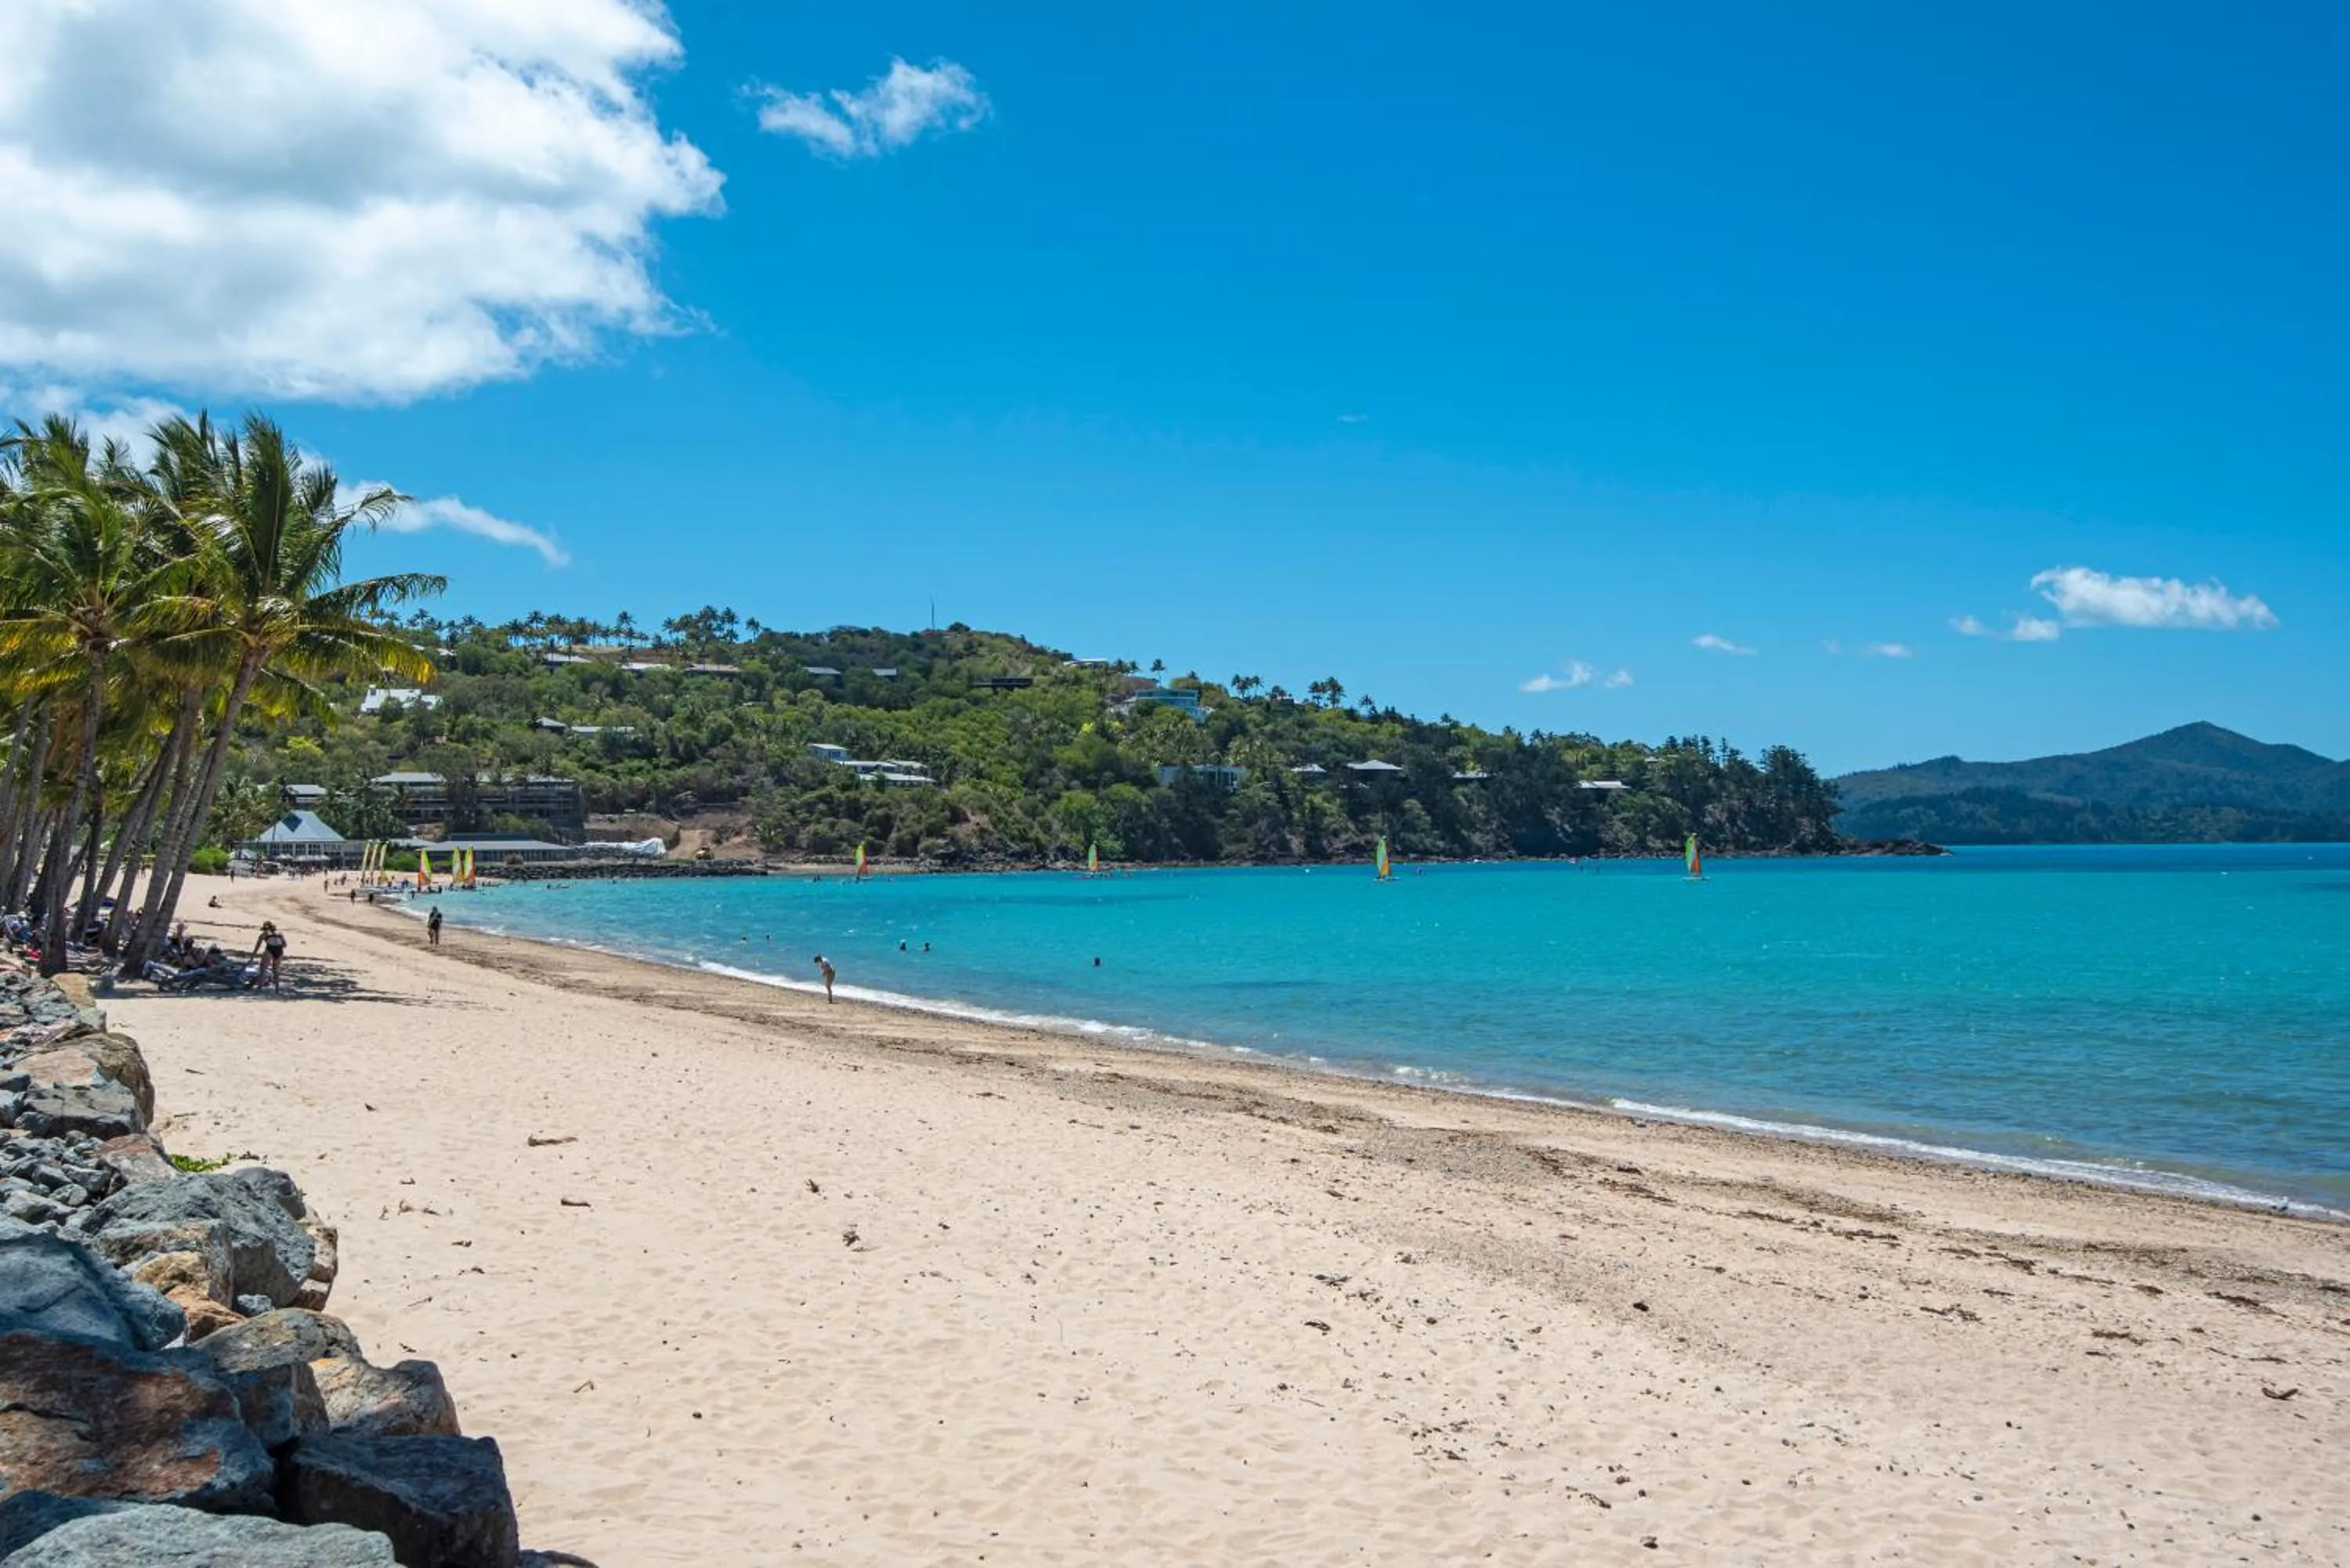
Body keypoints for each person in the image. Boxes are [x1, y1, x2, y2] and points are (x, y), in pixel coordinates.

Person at [252, 921, 287, 992]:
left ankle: (260, 988)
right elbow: (285, 945)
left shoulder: (265, 934)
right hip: (279, 951)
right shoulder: (280, 933)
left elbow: (258, 945)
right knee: (276, 970)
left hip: (270, 950)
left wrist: (253, 956)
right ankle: (277, 989)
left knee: (263, 968)